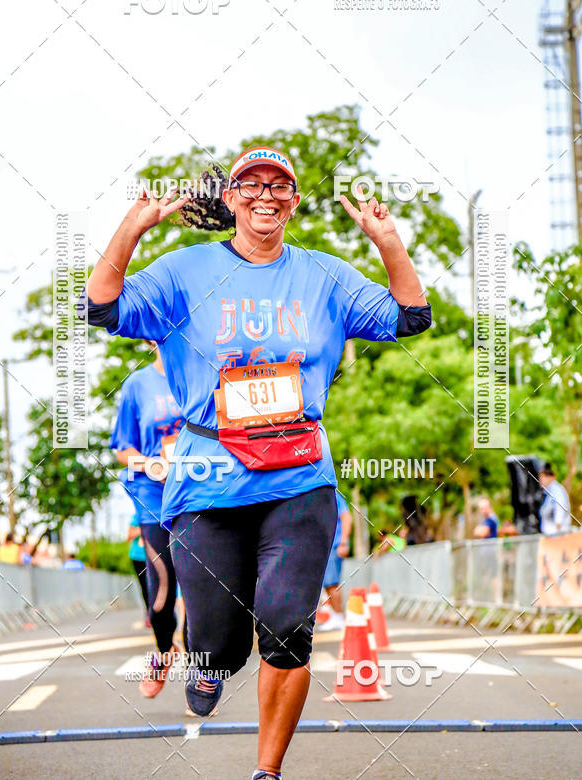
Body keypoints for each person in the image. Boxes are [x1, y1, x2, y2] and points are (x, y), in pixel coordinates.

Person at [85, 145, 431, 780]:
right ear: (234, 198)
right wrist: (131, 230)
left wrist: (389, 243)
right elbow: (102, 306)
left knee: (288, 627)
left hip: (299, 478)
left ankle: (267, 772)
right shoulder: (185, 271)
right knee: (220, 644)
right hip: (206, 484)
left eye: (280, 185)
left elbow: (411, 317)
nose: (266, 194)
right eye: (252, 184)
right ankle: (206, 658)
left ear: (293, 201)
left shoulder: (325, 275)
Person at [110, 343, 183, 698]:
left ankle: (206, 674)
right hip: (154, 497)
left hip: (202, 491)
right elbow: (123, 449)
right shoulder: (137, 385)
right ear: (150, 340)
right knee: (161, 590)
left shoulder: (207, 375)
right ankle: (165, 650)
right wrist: (152, 465)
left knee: (205, 587)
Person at [319, 490, 352, 632]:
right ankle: (334, 615)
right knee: (327, 583)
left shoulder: (333, 494)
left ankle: (338, 616)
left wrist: (344, 542)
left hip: (335, 544)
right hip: (325, 545)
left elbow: (346, 517)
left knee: (332, 583)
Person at [128, 512, 151, 628]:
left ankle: (160, 613)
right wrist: (145, 528)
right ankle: (149, 614)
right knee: (145, 586)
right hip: (138, 557)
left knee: (156, 585)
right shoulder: (138, 515)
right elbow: (129, 535)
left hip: (155, 556)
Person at [538, 463, 572, 536]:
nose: (540, 480)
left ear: (551, 477)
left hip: (557, 533)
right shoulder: (549, 491)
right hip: (552, 534)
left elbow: (560, 506)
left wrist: (558, 524)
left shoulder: (556, 490)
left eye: (543, 477)